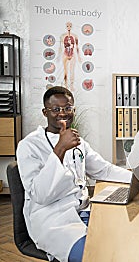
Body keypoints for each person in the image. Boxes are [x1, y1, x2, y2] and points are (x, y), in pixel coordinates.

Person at [16, 86, 132, 262]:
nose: (63, 113)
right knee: (95, 256)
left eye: (68, 108)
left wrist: (136, 178)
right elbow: (39, 195)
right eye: (56, 109)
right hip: (53, 220)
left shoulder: (79, 142)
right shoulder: (29, 146)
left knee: (122, 243)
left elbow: (103, 170)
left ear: (74, 110)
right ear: (45, 112)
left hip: (85, 211)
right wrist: (60, 148)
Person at [60, 21, 81, 91]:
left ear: (72, 27)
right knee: (65, 71)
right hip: (65, 54)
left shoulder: (75, 36)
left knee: (72, 71)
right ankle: (66, 85)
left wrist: (79, 57)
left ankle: (71, 86)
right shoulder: (62, 36)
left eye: (70, 26)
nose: (69, 27)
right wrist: (58, 55)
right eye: (67, 26)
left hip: (72, 54)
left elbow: (77, 47)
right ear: (66, 27)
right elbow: (60, 46)